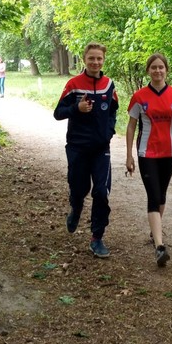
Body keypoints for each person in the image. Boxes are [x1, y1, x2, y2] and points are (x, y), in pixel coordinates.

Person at [54, 43, 119, 258]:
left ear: (104, 60)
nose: (95, 62)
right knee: (79, 187)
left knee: (101, 191)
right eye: (91, 58)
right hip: (77, 147)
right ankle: (76, 207)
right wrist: (77, 109)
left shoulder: (109, 85)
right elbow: (58, 113)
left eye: (99, 58)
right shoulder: (73, 84)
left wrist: (108, 132)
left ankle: (97, 238)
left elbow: (113, 111)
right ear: (84, 59)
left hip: (101, 148)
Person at [126, 53, 172, 267]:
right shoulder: (139, 96)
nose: (157, 71)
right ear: (148, 71)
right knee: (153, 195)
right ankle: (160, 247)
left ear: (166, 70)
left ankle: (155, 233)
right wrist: (129, 155)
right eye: (153, 67)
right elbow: (131, 126)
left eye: (161, 67)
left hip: (169, 153)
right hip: (147, 153)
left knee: (161, 195)